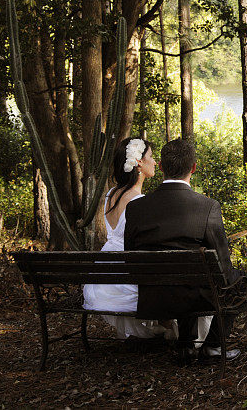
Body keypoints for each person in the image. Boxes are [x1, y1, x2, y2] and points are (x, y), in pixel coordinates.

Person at [123, 138, 247, 364]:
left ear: (161, 166)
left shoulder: (135, 208)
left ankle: (186, 346)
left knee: (189, 278)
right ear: (193, 168)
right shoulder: (207, 207)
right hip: (193, 298)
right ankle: (213, 346)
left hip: (153, 299)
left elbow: (130, 257)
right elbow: (223, 263)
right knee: (237, 281)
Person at [82, 137, 177, 340]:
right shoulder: (140, 202)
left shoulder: (110, 195)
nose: (155, 162)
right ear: (139, 163)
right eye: (151, 157)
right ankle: (168, 328)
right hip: (124, 276)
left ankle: (158, 329)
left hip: (103, 278)